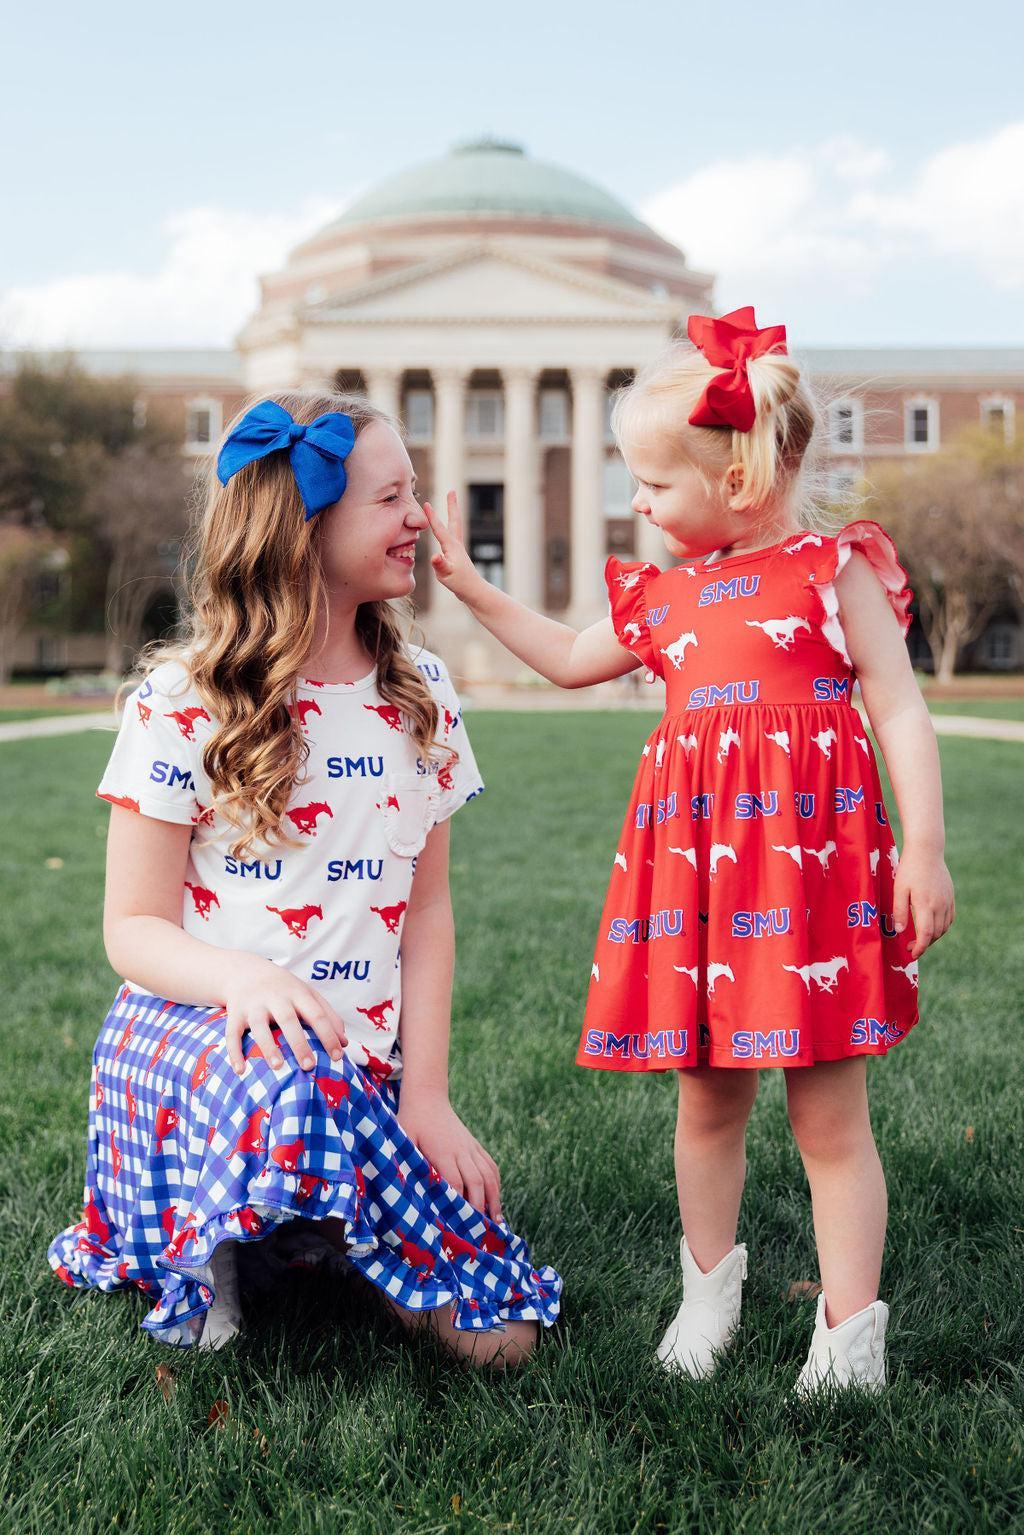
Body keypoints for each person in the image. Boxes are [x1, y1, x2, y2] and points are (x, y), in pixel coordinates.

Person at [423, 307, 954, 1392]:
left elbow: (899, 708)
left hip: (809, 875)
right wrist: (474, 592)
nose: (639, 506)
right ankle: (708, 1292)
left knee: (827, 1110)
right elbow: (574, 656)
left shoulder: (831, 569)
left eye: (655, 487)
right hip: (700, 877)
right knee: (705, 1096)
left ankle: (850, 1334)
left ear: (741, 480)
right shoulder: (664, 594)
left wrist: (926, 849)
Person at [48, 390, 561, 1366]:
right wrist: (246, 978)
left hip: (357, 1067)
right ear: (305, 528)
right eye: (393, 496)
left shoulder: (422, 698)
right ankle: (222, 1256)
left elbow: (428, 913)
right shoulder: (184, 699)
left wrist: (429, 1097)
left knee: (501, 1340)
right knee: (287, 1075)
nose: (422, 516)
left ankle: (315, 1227)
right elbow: (132, 927)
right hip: (202, 1043)